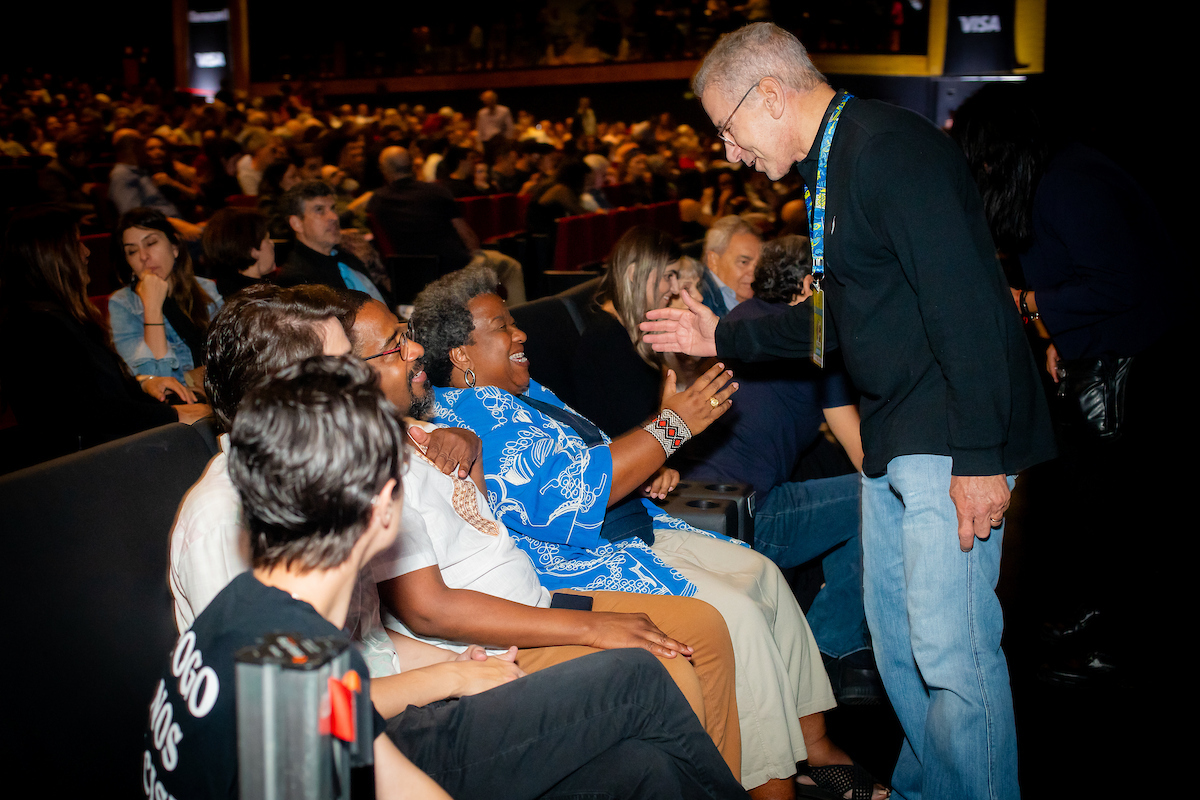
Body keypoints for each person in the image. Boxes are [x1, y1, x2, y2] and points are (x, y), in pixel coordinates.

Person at [642, 23, 1055, 800]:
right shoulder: (828, 169)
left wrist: (977, 460)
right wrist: (723, 330)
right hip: (896, 436)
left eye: (726, 131)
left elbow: (967, 309)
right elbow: (839, 325)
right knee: (900, 650)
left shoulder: (887, 149)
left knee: (952, 655)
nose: (728, 153)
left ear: (769, 96)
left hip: (945, 429)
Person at [166, 289, 748, 800]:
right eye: (345, 363)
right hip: (368, 738)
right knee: (637, 679)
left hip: (378, 719)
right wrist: (448, 679)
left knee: (646, 767)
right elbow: (291, 740)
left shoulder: (297, 490)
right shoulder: (228, 521)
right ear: (290, 391)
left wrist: (453, 668)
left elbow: (338, 670)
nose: (369, 373)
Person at [413, 264, 889, 800]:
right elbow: (558, 499)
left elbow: (585, 456)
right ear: (460, 355)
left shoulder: (524, 392)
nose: (520, 332)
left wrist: (644, 464)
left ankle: (815, 746)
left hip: (632, 521)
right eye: (502, 326)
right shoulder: (468, 417)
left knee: (764, 573)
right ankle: (769, 783)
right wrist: (668, 429)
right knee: (738, 615)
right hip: (582, 555)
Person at [345, 293, 742, 776]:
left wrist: (472, 450)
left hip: (537, 595)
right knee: (681, 654)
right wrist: (669, 429)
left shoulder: (429, 424)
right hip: (531, 600)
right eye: (395, 345)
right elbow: (427, 608)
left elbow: (494, 517)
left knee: (710, 623)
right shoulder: (376, 459)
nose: (413, 350)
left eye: (406, 337)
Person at [951, 82, 1185, 682]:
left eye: (980, 155)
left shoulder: (1069, 183)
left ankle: (1124, 642)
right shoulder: (1058, 175)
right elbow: (1086, 275)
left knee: (1118, 513)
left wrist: (1027, 305)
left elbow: (1121, 282)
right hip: (1103, 356)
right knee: (1094, 510)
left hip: (1126, 370)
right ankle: (1105, 615)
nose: (977, 169)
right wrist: (1058, 334)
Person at [673, 235, 878, 704]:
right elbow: (863, 454)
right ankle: (831, 648)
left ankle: (832, 645)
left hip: (691, 505)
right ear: (809, 287)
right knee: (882, 495)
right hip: (752, 516)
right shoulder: (814, 341)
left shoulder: (738, 322)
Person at [0, 206, 208, 469]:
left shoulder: (58, 316)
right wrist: (173, 414)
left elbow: (99, 391)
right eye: (76, 244)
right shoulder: (33, 326)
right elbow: (85, 412)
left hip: (112, 446)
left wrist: (143, 384)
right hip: (92, 465)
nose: (86, 252)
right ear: (51, 255)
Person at [369, 147, 525, 304]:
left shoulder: (378, 200)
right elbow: (468, 237)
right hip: (458, 268)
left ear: (385, 169)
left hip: (413, 277)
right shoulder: (436, 191)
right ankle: (518, 322)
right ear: (412, 166)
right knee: (512, 267)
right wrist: (475, 254)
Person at [110, 208, 222, 390]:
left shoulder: (206, 288)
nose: (143, 257)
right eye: (131, 251)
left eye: (151, 243)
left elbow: (233, 358)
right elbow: (157, 384)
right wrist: (152, 307)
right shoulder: (123, 304)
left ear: (175, 247)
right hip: (176, 411)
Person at [275, 180, 385, 301]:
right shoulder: (296, 280)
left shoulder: (346, 257)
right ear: (296, 223)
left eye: (333, 208)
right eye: (319, 210)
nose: (334, 217)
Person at [200, 207, 277, 297]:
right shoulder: (257, 298)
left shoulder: (222, 288)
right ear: (252, 251)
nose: (272, 244)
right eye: (267, 239)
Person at [699, 215, 762, 316]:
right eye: (744, 262)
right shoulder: (698, 302)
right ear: (713, 260)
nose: (755, 271)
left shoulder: (767, 294)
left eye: (759, 263)